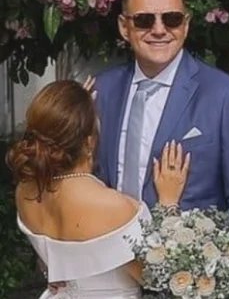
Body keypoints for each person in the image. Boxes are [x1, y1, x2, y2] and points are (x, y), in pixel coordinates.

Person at [92, 0, 229, 245]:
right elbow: (83, 179)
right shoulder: (102, 90)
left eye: (172, 19)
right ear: (124, 27)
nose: (159, 30)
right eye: (144, 20)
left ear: (185, 26)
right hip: (113, 273)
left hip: (191, 277)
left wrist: (214, 262)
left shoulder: (225, 95)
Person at [12, 79, 189, 299]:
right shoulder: (113, 207)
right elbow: (154, 277)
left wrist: (69, 113)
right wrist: (168, 203)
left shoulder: (25, 192)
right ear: (89, 142)